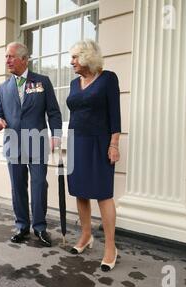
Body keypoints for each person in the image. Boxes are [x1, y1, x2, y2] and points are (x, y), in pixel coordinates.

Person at [0, 42, 63, 247]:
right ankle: (22, 226)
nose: (7, 60)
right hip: (13, 144)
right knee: (17, 187)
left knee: (39, 185)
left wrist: (56, 135)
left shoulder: (42, 82)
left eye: (11, 56)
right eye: (6, 57)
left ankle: (40, 228)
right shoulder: (3, 87)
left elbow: (54, 113)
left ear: (24, 59)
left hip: (37, 143)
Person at [66, 40, 121, 272]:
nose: (72, 62)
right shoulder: (73, 83)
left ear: (88, 57)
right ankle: (86, 236)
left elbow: (115, 114)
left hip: (99, 143)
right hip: (76, 141)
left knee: (103, 194)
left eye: (76, 57)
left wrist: (114, 144)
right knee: (80, 191)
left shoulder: (108, 78)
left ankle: (111, 246)